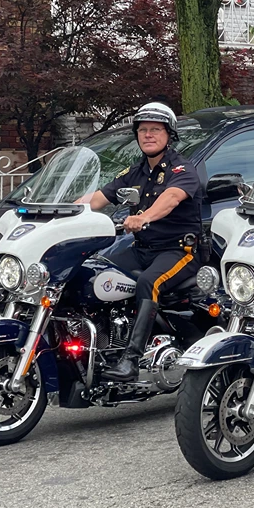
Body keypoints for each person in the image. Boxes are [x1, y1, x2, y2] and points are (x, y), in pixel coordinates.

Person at [83, 102, 202, 382]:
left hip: (179, 250)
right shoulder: (133, 172)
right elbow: (98, 198)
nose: (148, 135)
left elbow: (170, 198)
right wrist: (60, 211)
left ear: (169, 134)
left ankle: (131, 361)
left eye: (156, 130)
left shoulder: (181, 168)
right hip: (141, 249)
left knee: (150, 282)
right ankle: (101, 344)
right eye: (143, 130)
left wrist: (144, 217)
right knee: (93, 271)